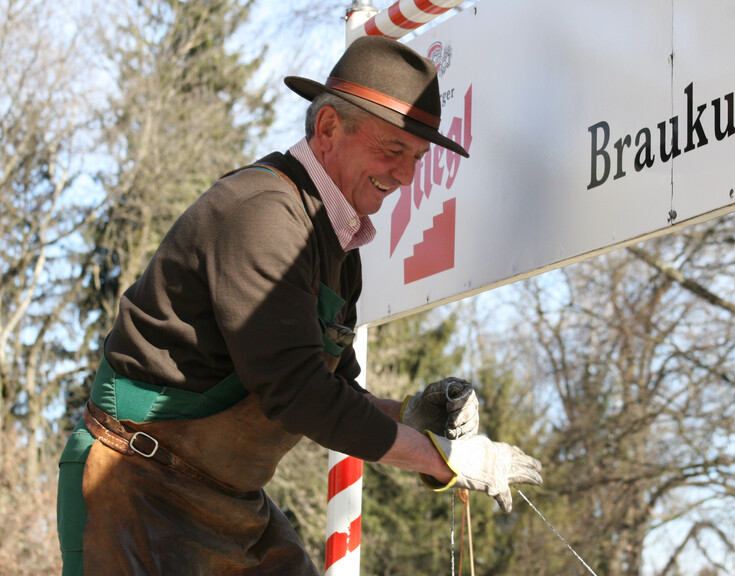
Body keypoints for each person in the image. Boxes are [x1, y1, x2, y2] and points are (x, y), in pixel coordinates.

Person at [57, 35, 543, 575]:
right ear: (329, 127)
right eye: (393, 150)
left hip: (227, 500)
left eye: (417, 157)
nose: (405, 177)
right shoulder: (263, 213)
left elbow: (333, 389)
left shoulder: (338, 241)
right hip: (137, 487)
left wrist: (409, 416)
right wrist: (440, 457)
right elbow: (298, 392)